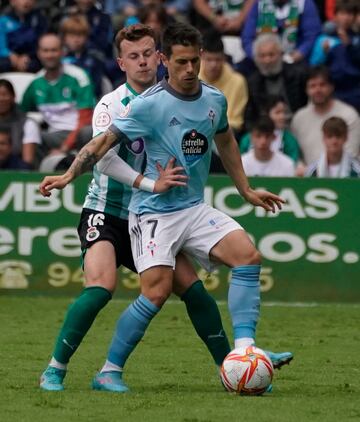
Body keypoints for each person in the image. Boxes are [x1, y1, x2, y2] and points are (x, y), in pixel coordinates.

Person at [39, 22, 293, 393]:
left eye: (147, 54)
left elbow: (225, 140)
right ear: (121, 62)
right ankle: (57, 368)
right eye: (134, 56)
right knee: (102, 288)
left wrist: (246, 189)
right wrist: (69, 177)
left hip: (176, 207)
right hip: (113, 211)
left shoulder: (206, 98)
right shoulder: (118, 105)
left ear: (159, 57)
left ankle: (240, 361)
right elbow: (105, 158)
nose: (143, 62)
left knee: (200, 290)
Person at [21, 33, 96, 157]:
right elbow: (20, 113)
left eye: (54, 50)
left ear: (62, 52)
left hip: (80, 134)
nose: (49, 55)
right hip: (53, 136)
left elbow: (85, 119)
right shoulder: (35, 83)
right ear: (39, 53)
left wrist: (64, 148)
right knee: (28, 134)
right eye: (45, 51)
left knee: (88, 132)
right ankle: (33, 174)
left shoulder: (78, 77)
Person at [291, 65, 360, 166]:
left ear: (331, 87)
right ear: (306, 90)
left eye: (322, 85)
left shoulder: (349, 115)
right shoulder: (299, 118)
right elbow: (296, 155)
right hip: (310, 178)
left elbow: (352, 153)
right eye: (312, 86)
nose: (317, 90)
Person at [244, 33, 308, 128]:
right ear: (256, 59)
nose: (267, 60)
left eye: (271, 55)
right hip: (266, 131)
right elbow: (250, 116)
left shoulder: (298, 75)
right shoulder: (252, 82)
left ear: (280, 54)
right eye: (262, 56)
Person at [199, 31, 248, 137]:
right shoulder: (193, 78)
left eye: (217, 59)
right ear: (201, 57)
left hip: (226, 135)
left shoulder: (238, 81)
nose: (213, 65)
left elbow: (236, 123)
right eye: (209, 59)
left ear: (224, 58)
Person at [241, 0, 322, 64]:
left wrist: (296, 56)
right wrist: (260, 57)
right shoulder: (259, 4)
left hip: (295, 59)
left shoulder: (304, 3)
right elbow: (247, 38)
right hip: (262, 61)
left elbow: (311, 36)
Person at [240, 94, 301, 164]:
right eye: (277, 112)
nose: (282, 117)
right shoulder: (247, 139)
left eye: (284, 112)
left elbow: (292, 163)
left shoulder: (289, 140)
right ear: (267, 113)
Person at [60, 14, 107, 99]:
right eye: (71, 36)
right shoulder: (59, 58)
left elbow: (96, 87)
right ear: (64, 38)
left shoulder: (95, 59)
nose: (76, 40)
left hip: (89, 100)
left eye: (80, 35)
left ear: (86, 37)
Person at [0, 78, 41, 168]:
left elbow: (27, 162)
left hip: (15, 168)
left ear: (13, 97)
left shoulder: (27, 123)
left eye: (4, 94)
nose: (1, 99)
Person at [0, 0, 48, 73]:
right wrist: (10, 54)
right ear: (12, 2)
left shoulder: (40, 20)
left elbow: (42, 42)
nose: (26, 1)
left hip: (31, 58)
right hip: (8, 58)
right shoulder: (3, 20)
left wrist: (28, 55)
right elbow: (2, 45)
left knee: (33, 65)